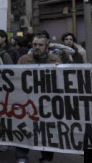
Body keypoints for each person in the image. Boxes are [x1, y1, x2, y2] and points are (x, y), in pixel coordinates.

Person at [15, 35, 61, 163]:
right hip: (27, 102)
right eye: (35, 44)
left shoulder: (55, 60)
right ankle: (21, 157)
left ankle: (46, 158)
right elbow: (16, 79)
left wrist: (61, 69)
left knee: (47, 130)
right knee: (24, 128)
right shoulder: (24, 59)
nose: (37, 47)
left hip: (48, 104)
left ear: (46, 47)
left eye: (40, 45)